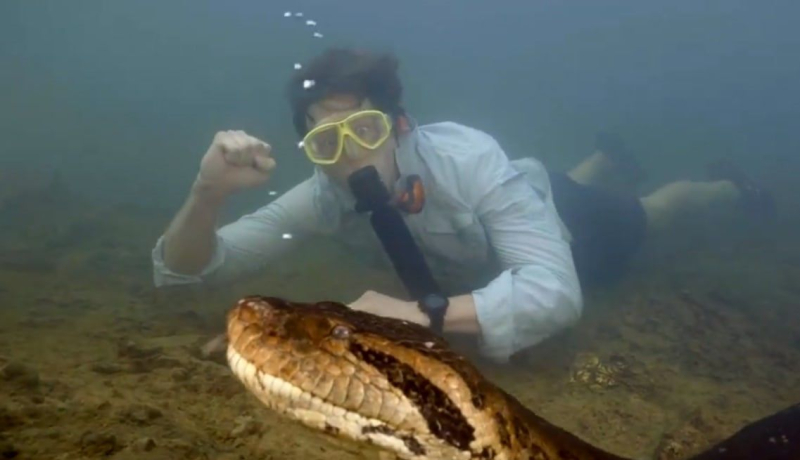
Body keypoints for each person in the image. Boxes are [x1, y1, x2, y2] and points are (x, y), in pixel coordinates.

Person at [151, 47, 774, 363]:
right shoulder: (323, 194)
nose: (348, 159)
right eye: (324, 140)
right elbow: (186, 271)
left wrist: (415, 316)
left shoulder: (466, 159)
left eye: (363, 131)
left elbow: (556, 292)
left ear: (400, 126)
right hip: (515, 202)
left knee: (648, 213)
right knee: (551, 183)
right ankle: (605, 156)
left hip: (564, 216)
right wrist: (207, 194)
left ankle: (725, 188)